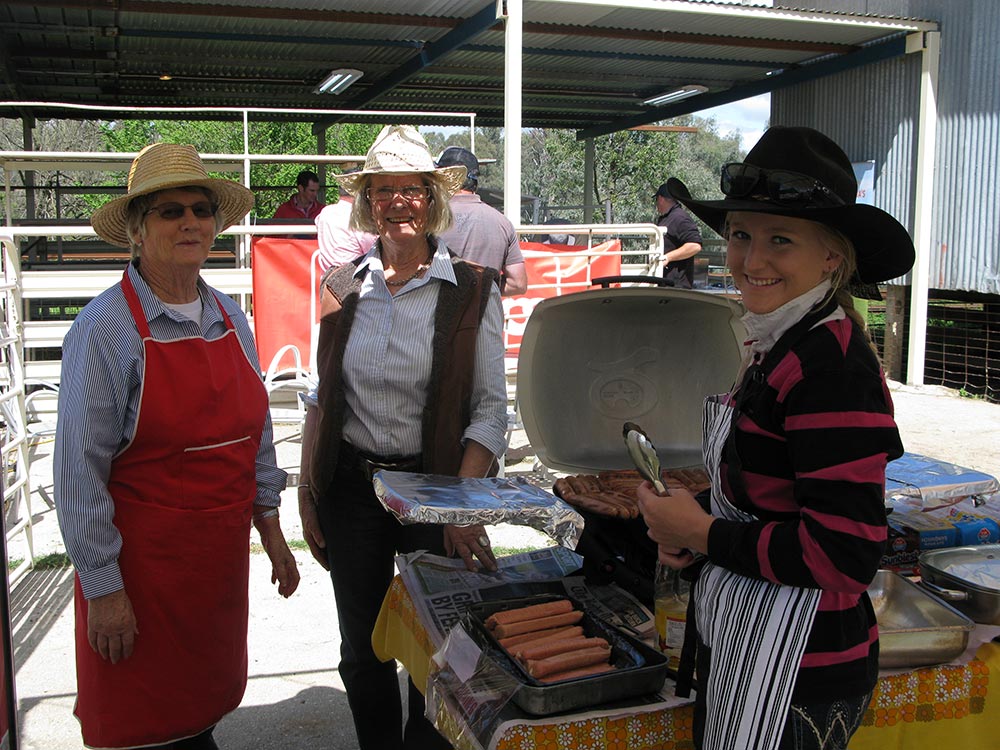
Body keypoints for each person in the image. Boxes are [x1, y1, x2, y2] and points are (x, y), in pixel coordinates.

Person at [637, 126, 915, 750]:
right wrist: (699, 530)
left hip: (803, 667)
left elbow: (844, 556)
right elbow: (773, 500)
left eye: (780, 240)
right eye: (740, 235)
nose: (751, 260)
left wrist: (702, 532)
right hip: (754, 641)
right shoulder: (782, 342)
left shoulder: (830, 368)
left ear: (832, 258)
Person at [55, 143, 300, 750]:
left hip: (212, 571)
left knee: (201, 712)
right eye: (169, 211)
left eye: (201, 208)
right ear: (138, 231)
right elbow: (78, 473)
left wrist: (271, 529)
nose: (190, 221)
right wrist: (103, 588)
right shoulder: (105, 331)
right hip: (141, 577)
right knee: (143, 726)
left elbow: (256, 433)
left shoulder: (228, 316)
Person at [297, 125, 508, 750]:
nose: (397, 202)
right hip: (352, 488)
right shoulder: (342, 284)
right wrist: (308, 489)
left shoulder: (470, 288)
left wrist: (460, 507)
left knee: (437, 647)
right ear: (367, 202)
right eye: (382, 191)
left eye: (411, 190)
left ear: (432, 197)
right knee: (362, 648)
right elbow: (321, 395)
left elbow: (491, 411)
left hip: (432, 489)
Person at [435, 146, 528, 296]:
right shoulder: (502, 223)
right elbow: (518, 284)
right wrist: (485, 288)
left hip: (439, 315)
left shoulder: (428, 220)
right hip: (488, 316)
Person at [314, 170, 377, 271]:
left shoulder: (325, 212)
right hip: (355, 278)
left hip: (328, 277)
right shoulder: (359, 216)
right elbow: (372, 247)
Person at [653, 181, 703, 288]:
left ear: (660, 199)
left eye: (656, 200)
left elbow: (695, 246)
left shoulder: (680, 218)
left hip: (676, 286)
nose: (656, 204)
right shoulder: (667, 218)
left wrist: (667, 257)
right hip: (665, 284)